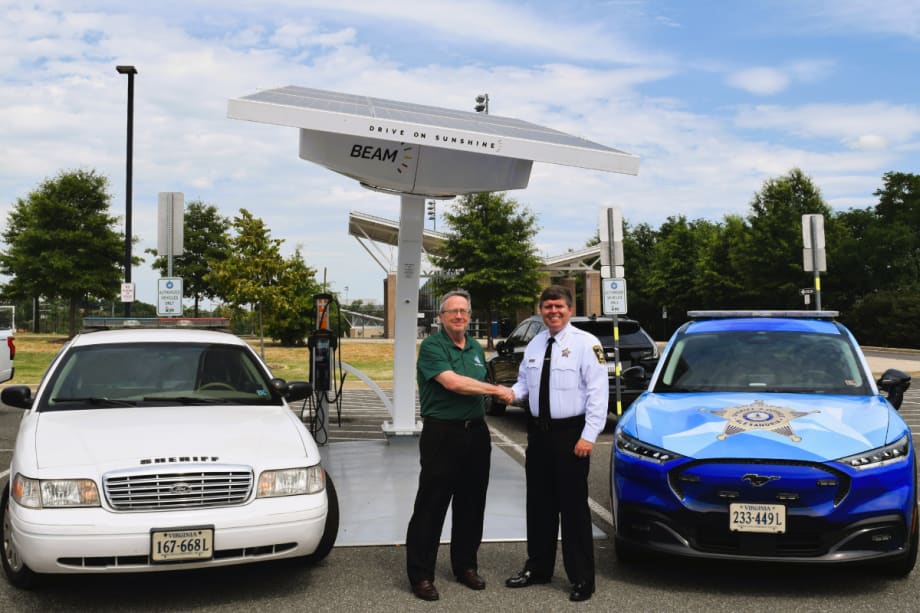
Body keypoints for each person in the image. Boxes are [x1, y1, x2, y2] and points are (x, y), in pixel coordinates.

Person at [406, 289, 515, 602]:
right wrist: (496, 390)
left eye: (463, 312)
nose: (458, 316)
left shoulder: (475, 349)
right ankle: (421, 574)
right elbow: (454, 383)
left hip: (476, 433)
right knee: (432, 505)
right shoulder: (432, 346)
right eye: (452, 311)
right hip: (443, 434)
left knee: (471, 503)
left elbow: (480, 381)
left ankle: (465, 565)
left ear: (470, 317)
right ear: (441, 317)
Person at [504, 285, 608, 603]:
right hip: (539, 435)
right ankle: (538, 568)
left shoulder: (586, 344)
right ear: (540, 310)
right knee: (539, 505)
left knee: (574, 510)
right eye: (547, 306)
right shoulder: (535, 343)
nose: (553, 311)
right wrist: (509, 393)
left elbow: (597, 392)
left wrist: (589, 436)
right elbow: (525, 381)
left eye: (559, 306)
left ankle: (581, 578)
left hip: (571, 435)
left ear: (570, 309)